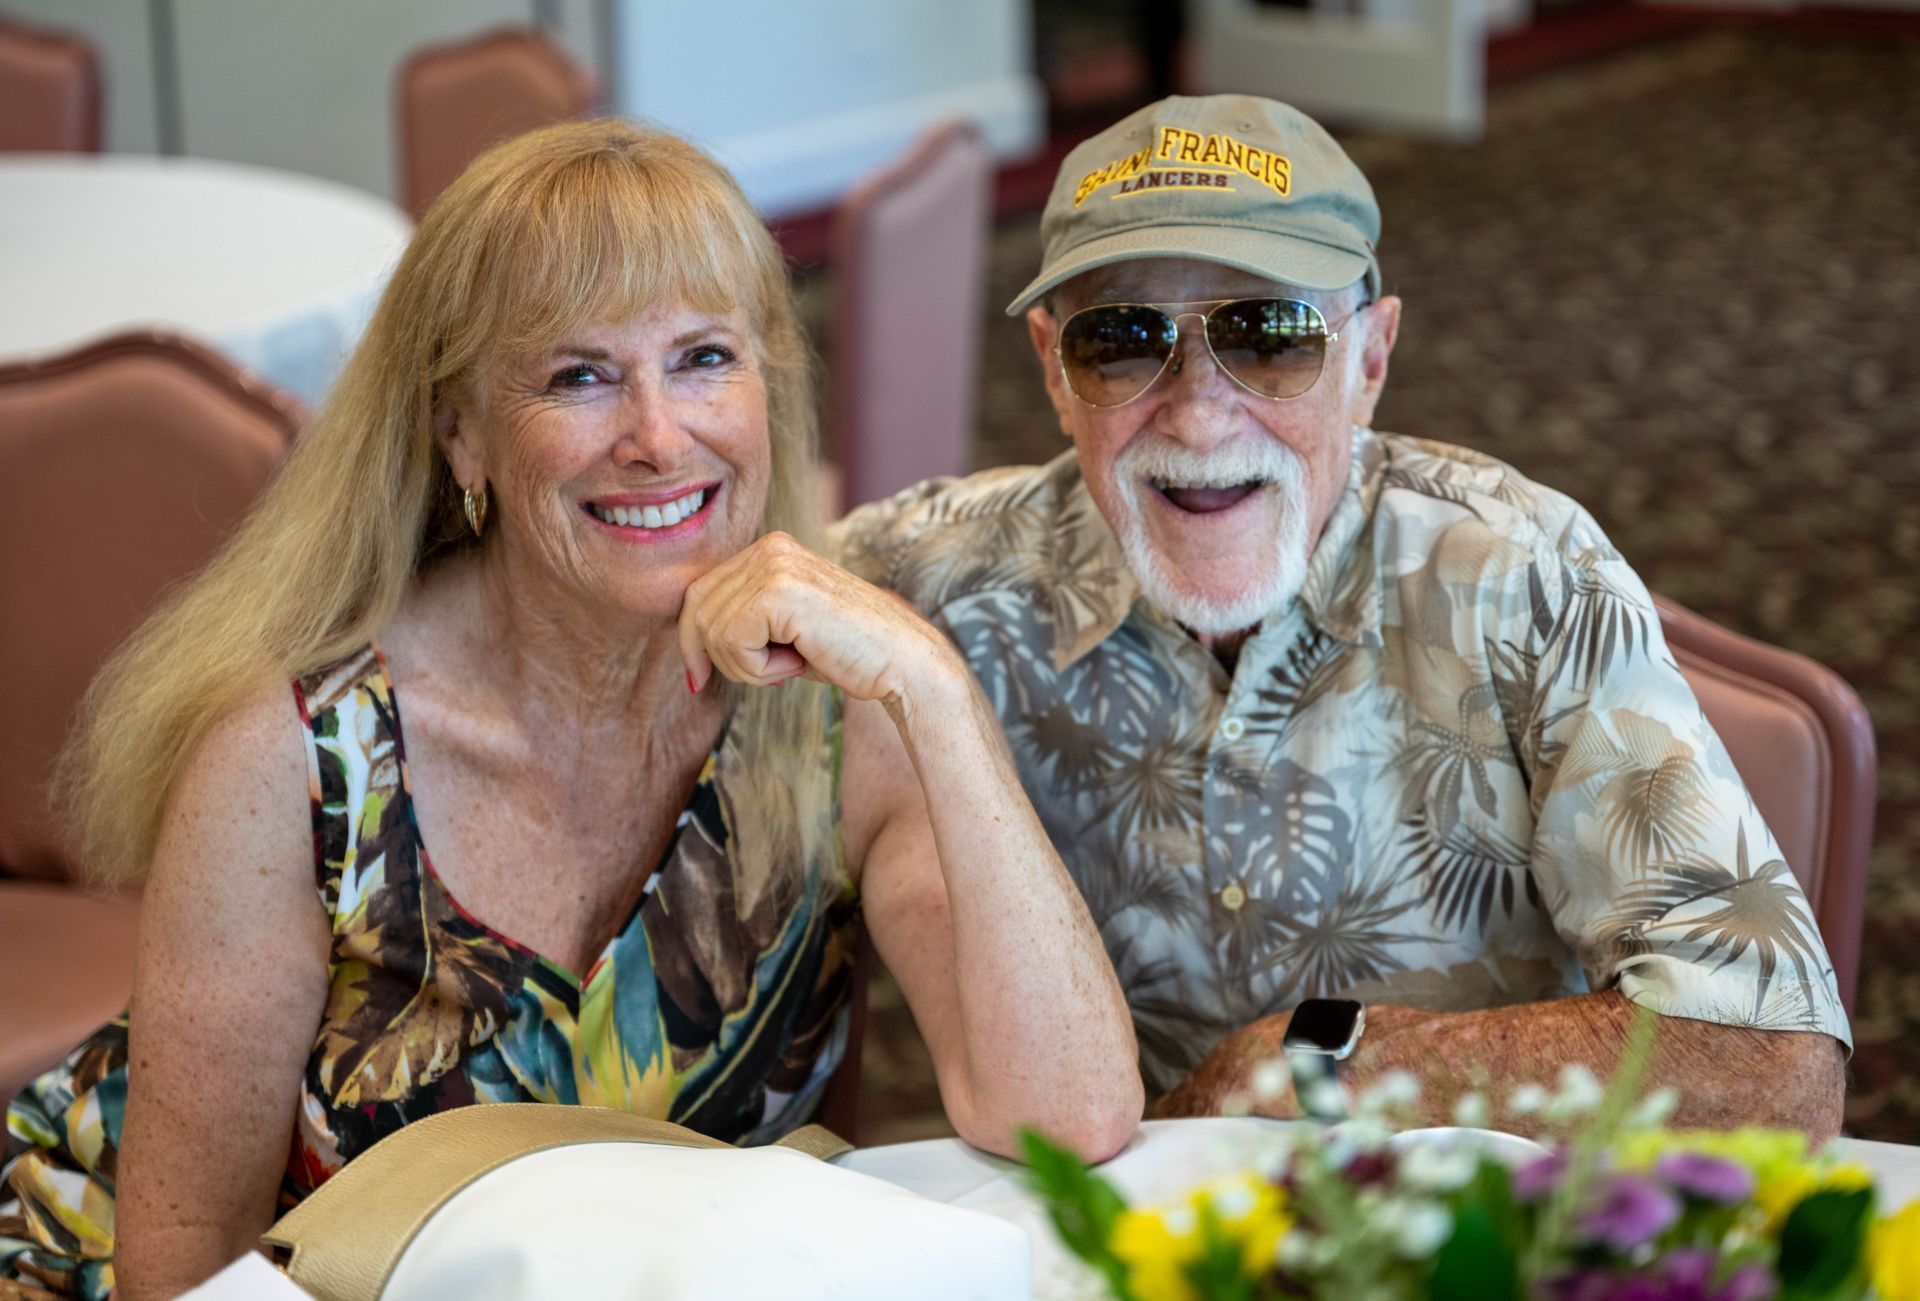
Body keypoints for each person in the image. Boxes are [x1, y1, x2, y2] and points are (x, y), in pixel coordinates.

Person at [0, 119, 1141, 1301]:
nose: (658, 437)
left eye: (704, 358)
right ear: (462, 435)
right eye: (580, 375)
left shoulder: (841, 708)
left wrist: (936, 691)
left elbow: (1070, 1116)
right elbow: (184, 1277)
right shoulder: (297, 761)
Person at [832, 95, 1849, 1136]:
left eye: (1270, 336)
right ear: (1054, 367)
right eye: (1124, 341)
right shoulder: (926, 585)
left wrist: (1319, 1065)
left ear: (1370, 358)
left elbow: (1773, 1069)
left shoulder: (1524, 575)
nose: (1196, 410)